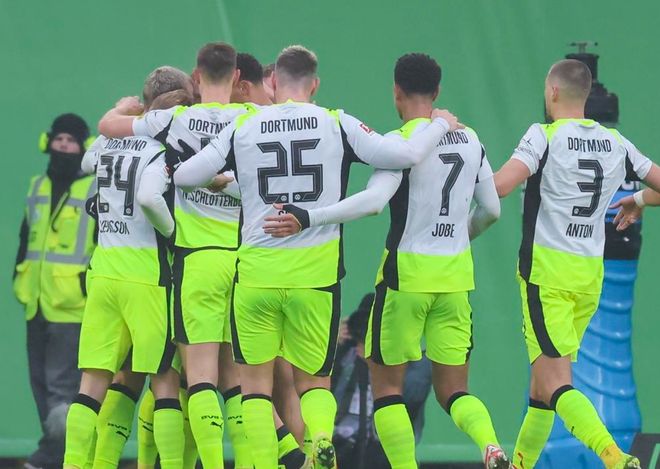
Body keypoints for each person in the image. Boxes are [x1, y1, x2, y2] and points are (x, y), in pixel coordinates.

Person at [173, 44, 460, 469]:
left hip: (257, 275)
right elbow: (405, 155)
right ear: (315, 84)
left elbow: (184, 176)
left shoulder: (246, 124)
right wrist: (439, 125)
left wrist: (225, 181)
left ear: (273, 81)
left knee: (254, 389)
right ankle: (321, 440)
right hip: (316, 277)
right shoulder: (336, 122)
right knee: (314, 384)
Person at [264, 53, 508, 469]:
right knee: (454, 392)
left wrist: (311, 217)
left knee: (387, 391)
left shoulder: (399, 143)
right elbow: (492, 210)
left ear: (396, 92)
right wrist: (455, 238)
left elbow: (374, 202)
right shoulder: (470, 140)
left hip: (404, 280)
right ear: (438, 91)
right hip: (455, 281)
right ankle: (491, 446)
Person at [99, 43, 304, 469]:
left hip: (193, 260)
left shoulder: (175, 119)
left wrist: (127, 109)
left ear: (196, 76)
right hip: (244, 261)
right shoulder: (253, 118)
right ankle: (278, 454)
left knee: (196, 378)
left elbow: (108, 127)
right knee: (240, 378)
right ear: (237, 78)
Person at [493, 59, 660, 469]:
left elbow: (500, 185)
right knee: (541, 391)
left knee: (555, 384)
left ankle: (615, 458)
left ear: (552, 92)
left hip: (546, 276)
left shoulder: (543, 136)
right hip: (588, 278)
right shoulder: (615, 142)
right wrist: (639, 199)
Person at [62, 66, 193, 469]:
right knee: (165, 379)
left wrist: (118, 111)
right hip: (146, 276)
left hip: (104, 272)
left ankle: (74, 464)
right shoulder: (165, 145)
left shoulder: (111, 140)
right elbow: (151, 198)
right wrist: (174, 233)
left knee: (91, 384)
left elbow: (87, 161)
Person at [233, 51, 307, 448]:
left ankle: (286, 453)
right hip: (304, 268)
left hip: (254, 264)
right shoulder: (309, 126)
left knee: (252, 383)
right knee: (289, 380)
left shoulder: (247, 127)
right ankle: (305, 455)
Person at [14, 113, 96, 469]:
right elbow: (25, 238)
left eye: (71, 141)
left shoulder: (93, 189)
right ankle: (56, 452)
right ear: (48, 143)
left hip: (72, 304)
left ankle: (57, 456)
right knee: (40, 385)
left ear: (83, 147)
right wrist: (19, 276)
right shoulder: (38, 187)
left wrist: (86, 284)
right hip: (36, 301)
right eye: (59, 139)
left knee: (62, 387)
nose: (63, 146)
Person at [332, 293, 432, 469]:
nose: (368, 336)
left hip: (384, 451)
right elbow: (312, 390)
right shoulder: (342, 358)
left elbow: (415, 394)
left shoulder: (406, 365)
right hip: (341, 449)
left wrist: (396, 349)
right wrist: (331, 345)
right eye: (365, 328)